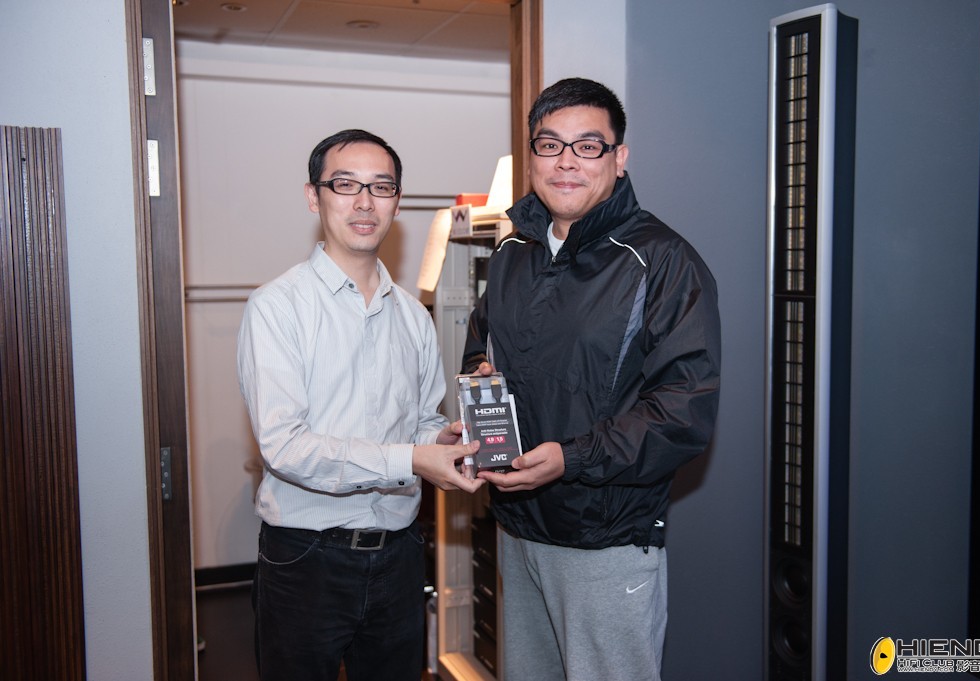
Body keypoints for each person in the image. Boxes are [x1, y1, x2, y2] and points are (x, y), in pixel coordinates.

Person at [462, 78, 721, 681]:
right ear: (532, 155)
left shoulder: (663, 261)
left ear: (618, 158)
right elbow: (484, 348)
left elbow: (683, 412)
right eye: (550, 145)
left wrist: (571, 459)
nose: (566, 162)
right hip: (518, 527)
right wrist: (480, 388)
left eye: (587, 146)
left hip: (606, 540)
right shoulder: (512, 252)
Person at [237, 128, 484, 681]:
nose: (365, 202)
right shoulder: (277, 308)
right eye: (346, 185)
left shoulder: (412, 316)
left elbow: (420, 422)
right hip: (306, 560)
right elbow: (286, 447)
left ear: (397, 201)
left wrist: (441, 442)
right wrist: (412, 459)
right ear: (314, 196)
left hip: (399, 556)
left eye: (382, 187)